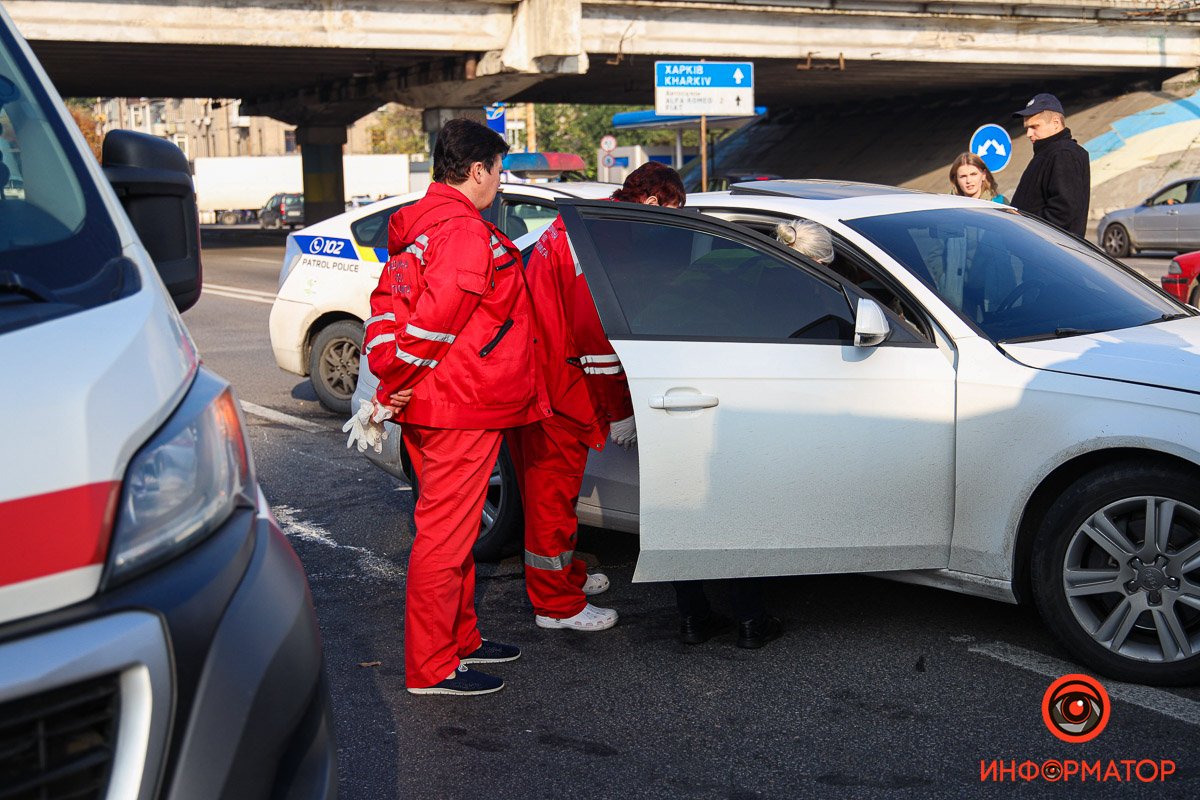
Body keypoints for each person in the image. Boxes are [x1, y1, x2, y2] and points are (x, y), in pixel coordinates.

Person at [353, 118, 551, 697]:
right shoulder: (463, 231)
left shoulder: (425, 226)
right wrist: (392, 388)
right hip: (459, 405)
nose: (500, 180)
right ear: (475, 171)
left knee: (455, 533)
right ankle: (434, 665)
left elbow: (394, 309)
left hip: (446, 401)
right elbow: (434, 327)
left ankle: (460, 639)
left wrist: (395, 386)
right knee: (444, 538)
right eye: (497, 169)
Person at [509, 161, 686, 632]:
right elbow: (596, 339)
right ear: (652, 203)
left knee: (552, 497)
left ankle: (564, 577)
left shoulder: (593, 224)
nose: (665, 231)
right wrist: (621, 410)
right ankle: (556, 606)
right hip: (558, 387)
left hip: (546, 375)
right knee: (552, 498)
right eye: (669, 216)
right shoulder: (607, 240)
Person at [1010, 93, 1090, 237]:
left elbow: (1063, 211)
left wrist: (1022, 221)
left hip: (1050, 249)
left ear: (1055, 123)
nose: (1028, 133)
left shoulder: (1063, 154)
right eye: (1026, 128)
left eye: (1035, 126)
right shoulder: (1050, 152)